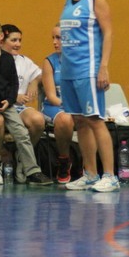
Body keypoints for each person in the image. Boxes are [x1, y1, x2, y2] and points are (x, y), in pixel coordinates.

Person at [58, 0, 119, 192]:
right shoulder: (68, 0)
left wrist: (103, 66)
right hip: (69, 70)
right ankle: (91, 174)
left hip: (88, 69)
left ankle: (110, 176)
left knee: (95, 120)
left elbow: (108, 33)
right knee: (80, 121)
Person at [0, 19, 53, 187]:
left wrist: (10, 100)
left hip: (6, 103)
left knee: (21, 133)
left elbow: (13, 83)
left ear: (0, 36)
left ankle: (32, 171)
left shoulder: (8, 59)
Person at [0, 23, 51, 183]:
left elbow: (41, 74)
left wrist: (34, 82)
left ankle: (22, 157)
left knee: (38, 120)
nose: (18, 44)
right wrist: (13, 97)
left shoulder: (23, 61)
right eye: (13, 40)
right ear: (2, 41)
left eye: (20, 40)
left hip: (18, 108)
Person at [41, 24, 75, 183]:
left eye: (59, 38)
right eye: (53, 38)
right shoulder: (49, 62)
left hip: (76, 106)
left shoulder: (81, 61)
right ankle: (64, 160)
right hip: (54, 106)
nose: (55, 42)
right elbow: (51, 97)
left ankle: (90, 166)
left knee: (92, 120)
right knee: (65, 119)